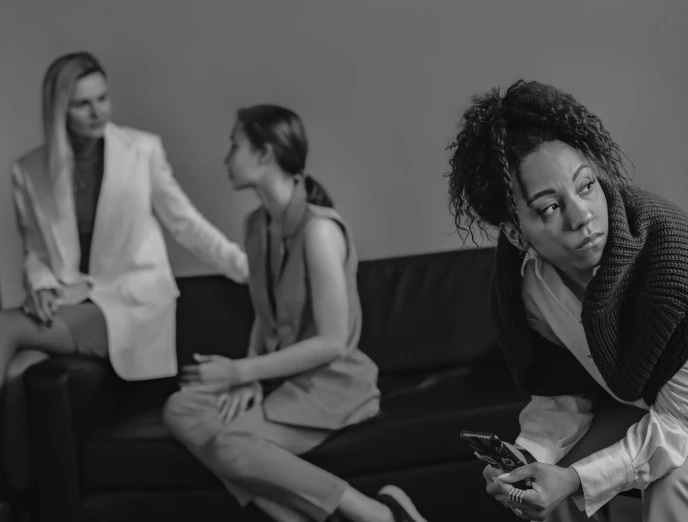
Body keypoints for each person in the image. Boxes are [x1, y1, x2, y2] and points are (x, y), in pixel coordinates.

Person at [444, 79, 688, 522]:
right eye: (550, 208)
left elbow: (679, 425)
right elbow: (564, 390)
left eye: (586, 186)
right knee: (548, 486)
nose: (582, 216)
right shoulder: (528, 289)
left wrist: (578, 479)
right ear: (514, 233)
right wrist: (528, 452)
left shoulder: (675, 265)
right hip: (652, 401)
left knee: (675, 486)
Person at [163, 105, 426, 522]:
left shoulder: (320, 231)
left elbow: (332, 342)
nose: (227, 158)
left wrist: (241, 373)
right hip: (283, 381)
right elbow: (263, 315)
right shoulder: (255, 226)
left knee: (229, 445)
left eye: (235, 145)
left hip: (333, 384)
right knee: (180, 408)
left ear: (265, 154)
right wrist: (252, 375)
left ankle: (379, 515)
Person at [1, 51, 249, 494]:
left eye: (103, 98)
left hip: (131, 303)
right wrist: (39, 284)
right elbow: (35, 248)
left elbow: (185, 224)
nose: (98, 111)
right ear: (59, 109)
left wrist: (248, 269)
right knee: (19, 372)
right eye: (83, 103)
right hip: (72, 301)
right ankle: (19, 501)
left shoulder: (142, 150)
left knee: (3, 327)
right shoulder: (29, 171)